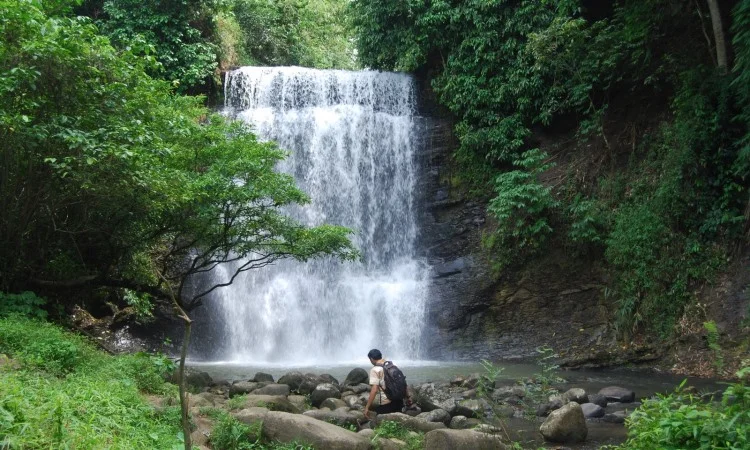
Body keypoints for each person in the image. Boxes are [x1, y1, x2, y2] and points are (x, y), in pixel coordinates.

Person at [363, 348, 404, 419]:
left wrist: (367, 407)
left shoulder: (375, 369)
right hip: (399, 400)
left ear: (372, 359)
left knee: (379, 422)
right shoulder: (392, 366)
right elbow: (402, 381)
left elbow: (374, 389)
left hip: (386, 403)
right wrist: (408, 398)